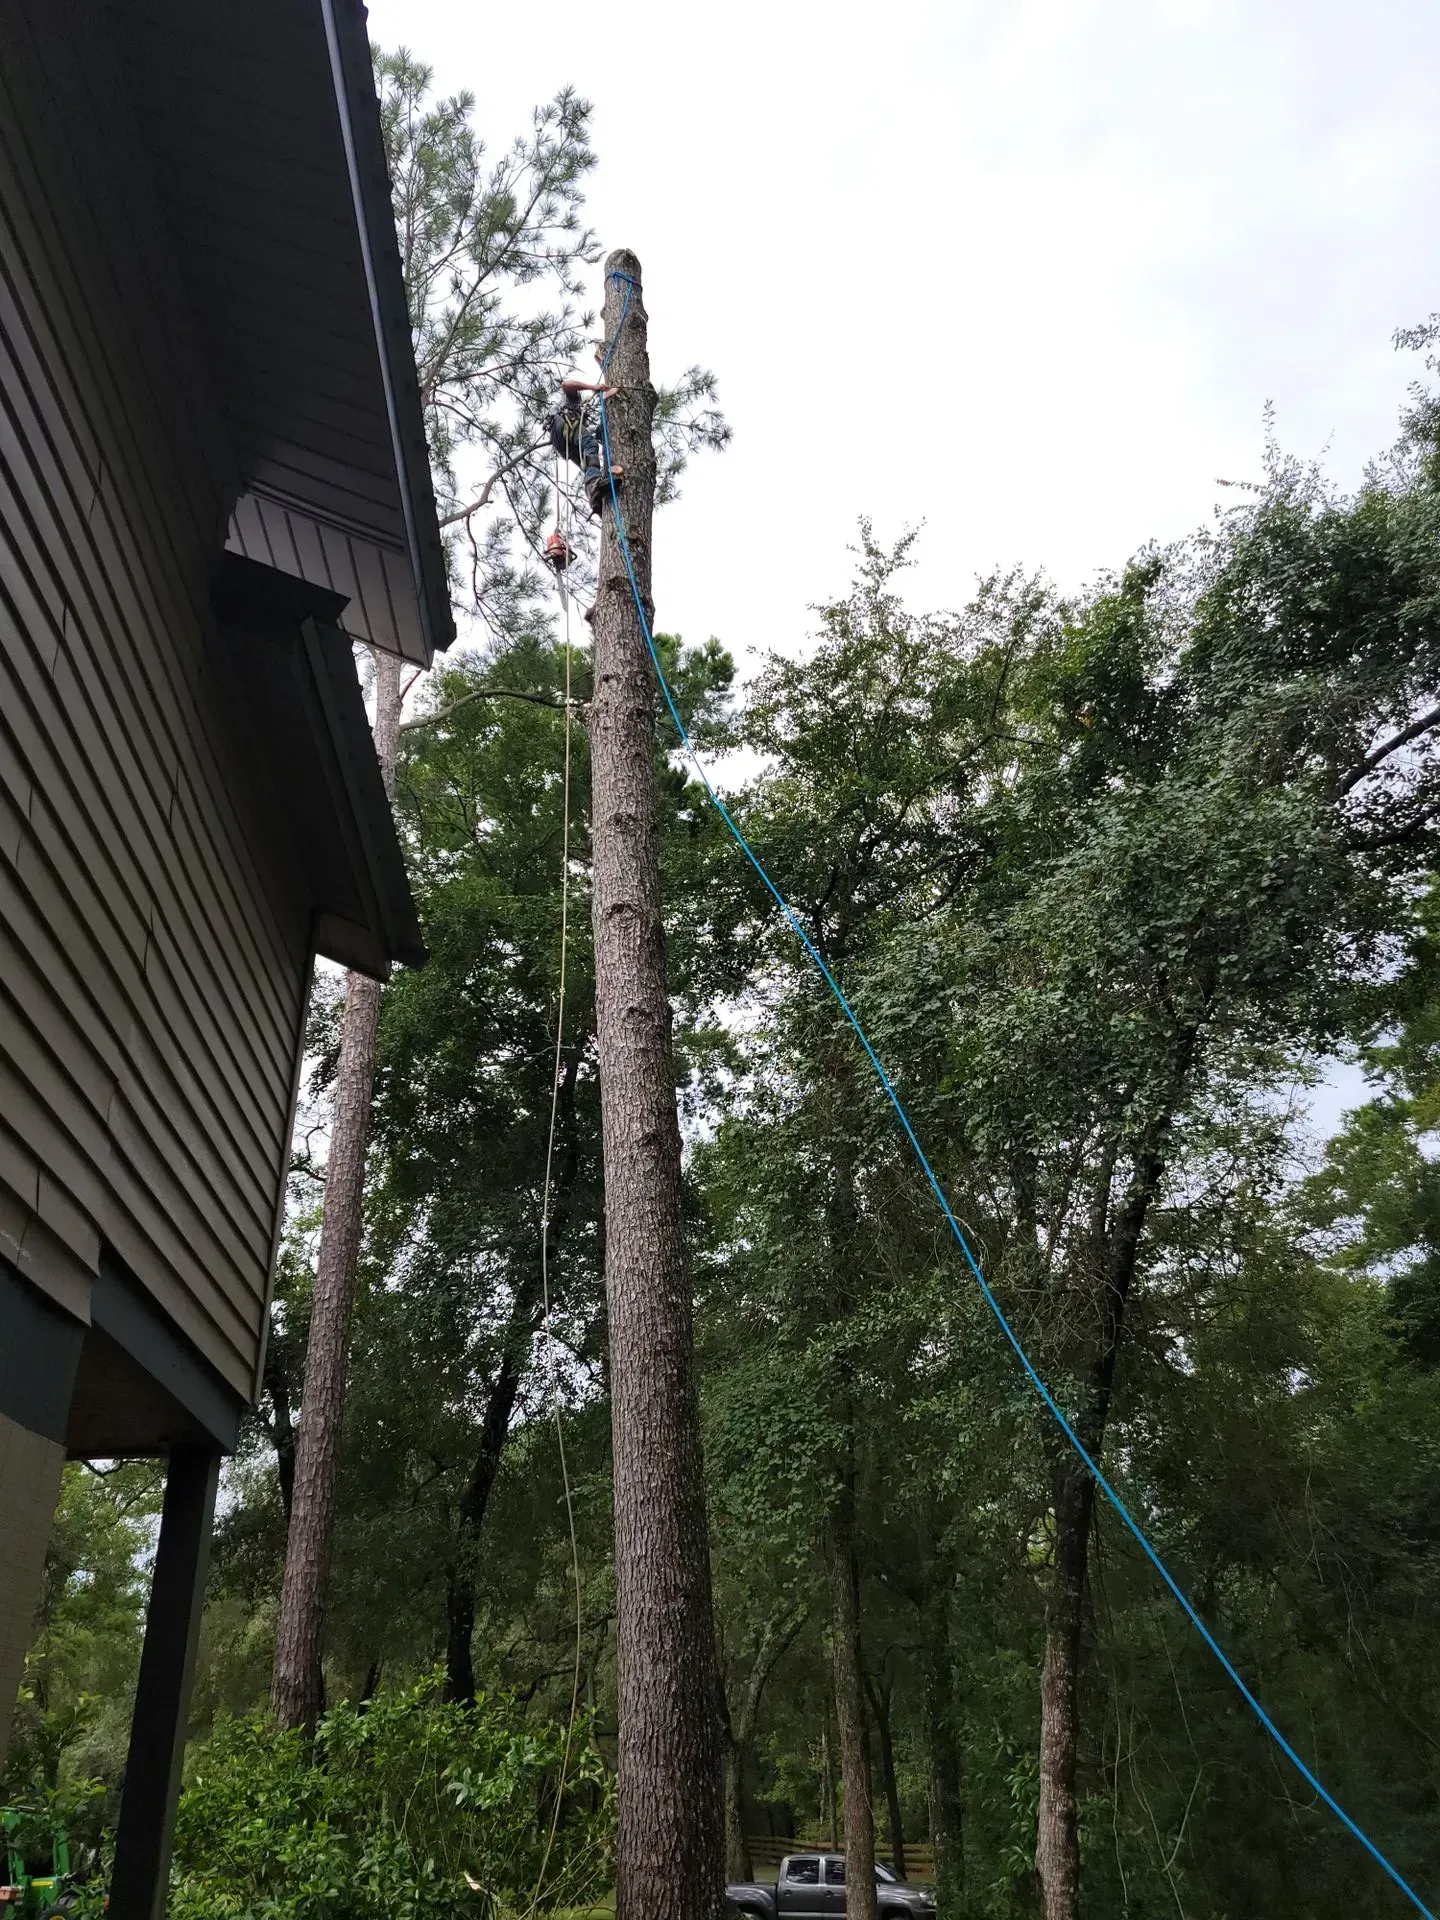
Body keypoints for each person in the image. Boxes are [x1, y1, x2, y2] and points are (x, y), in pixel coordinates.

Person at [547, 374, 623, 515]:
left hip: (563, 441)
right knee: (590, 444)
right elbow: (566, 385)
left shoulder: (578, 416)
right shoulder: (572, 401)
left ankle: (595, 497)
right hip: (562, 425)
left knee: (588, 464)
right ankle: (594, 487)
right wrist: (592, 387)